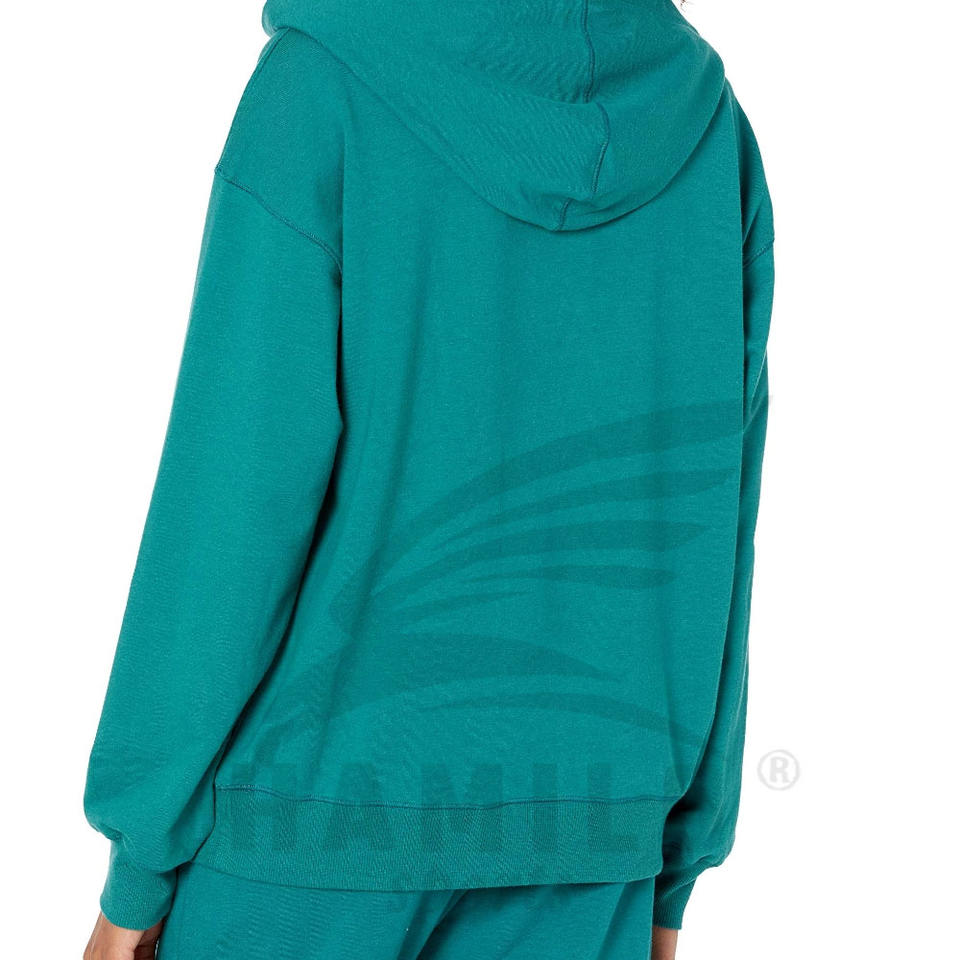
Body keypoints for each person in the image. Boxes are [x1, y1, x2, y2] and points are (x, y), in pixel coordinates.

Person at [83, 1, 774, 958]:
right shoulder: (710, 132)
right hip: (590, 844)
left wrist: (139, 860)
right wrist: (672, 869)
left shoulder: (321, 93)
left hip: (306, 833)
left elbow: (231, 500)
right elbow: (718, 517)